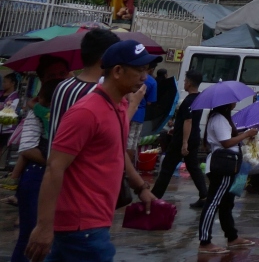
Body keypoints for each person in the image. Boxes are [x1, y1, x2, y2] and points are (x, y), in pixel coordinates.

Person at [24, 39, 158, 262]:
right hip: (82, 224)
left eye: (146, 70)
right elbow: (54, 168)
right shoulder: (87, 111)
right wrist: (44, 227)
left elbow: (117, 150)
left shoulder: (119, 106)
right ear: (117, 71)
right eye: (139, 70)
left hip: (95, 221)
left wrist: (141, 188)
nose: (145, 77)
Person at [198, 100, 259, 255]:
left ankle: (232, 236)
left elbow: (228, 138)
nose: (235, 103)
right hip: (223, 165)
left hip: (227, 164)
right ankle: (205, 242)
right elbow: (226, 143)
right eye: (233, 101)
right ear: (226, 103)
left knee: (226, 203)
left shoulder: (221, 118)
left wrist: (245, 134)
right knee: (213, 202)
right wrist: (245, 134)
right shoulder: (219, 118)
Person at [151, 71, 208, 207]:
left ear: (189, 82)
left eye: (185, 81)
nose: (184, 83)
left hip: (183, 140)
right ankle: (205, 195)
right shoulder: (199, 99)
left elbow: (188, 121)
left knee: (167, 168)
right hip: (193, 137)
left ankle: (154, 197)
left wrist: (184, 143)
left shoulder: (188, 101)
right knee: (193, 167)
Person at [11, 87, 51, 262]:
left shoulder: (42, 108)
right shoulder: (43, 111)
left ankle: (13, 178)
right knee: (30, 236)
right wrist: (60, 163)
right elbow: (27, 148)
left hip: (45, 170)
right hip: (39, 172)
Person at [127, 60, 157, 164]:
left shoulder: (131, 77)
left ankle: (124, 166)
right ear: (152, 69)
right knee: (133, 142)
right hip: (139, 115)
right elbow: (150, 102)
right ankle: (128, 166)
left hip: (126, 112)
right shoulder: (152, 82)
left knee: (125, 140)